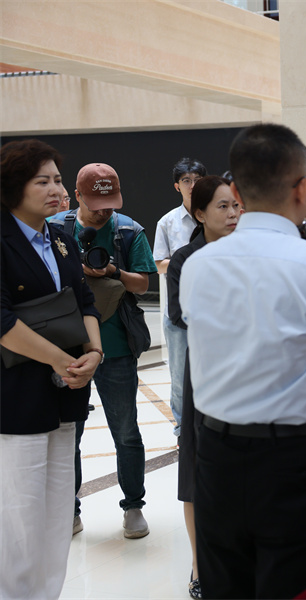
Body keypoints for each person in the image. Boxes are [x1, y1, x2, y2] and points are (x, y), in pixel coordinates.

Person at [180, 124, 306, 598]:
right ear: (303, 188)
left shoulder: (197, 265)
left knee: (225, 584)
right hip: (295, 457)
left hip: (216, 452)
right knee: (292, 584)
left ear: (236, 192)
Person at [1, 139, 103, 600]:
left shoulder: (61, 238)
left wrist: (94, 353)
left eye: (58, 180)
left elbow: (85, 302)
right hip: (17, 397)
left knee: (57, 512)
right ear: (13, 187)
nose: (56, 189)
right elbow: (2, 321)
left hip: (66, 392)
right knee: (20, 517)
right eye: (42, 181)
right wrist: (61, 359)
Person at [48, 162, 157, 540]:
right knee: (69, 433)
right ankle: (70, 509)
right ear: (77, 196)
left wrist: (113, 272)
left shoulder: (128, 230)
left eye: (110, 204)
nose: (104, 212)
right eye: (96, 204)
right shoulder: (55, 229)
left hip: (117, 346)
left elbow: (142, 284)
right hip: (68, 347)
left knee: (126, 432)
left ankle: (134, 506)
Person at [167, 175, 241, 600]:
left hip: (250, 374)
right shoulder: (186, 259)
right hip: (206, 374)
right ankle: (200, 564)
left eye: (236, 206)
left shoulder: (251, 253)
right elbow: (181, 314)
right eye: (222, 207)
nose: (232, 214)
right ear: (199, 214)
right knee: (196, 472)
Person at [154, 157, 207, 437]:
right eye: (186, 180)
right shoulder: (167, 222)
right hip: (177, 310)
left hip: (210, 308)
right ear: (177, 186)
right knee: (179, 375)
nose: (192, 185)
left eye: (197, 180)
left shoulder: (214, 214)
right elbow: (158, 263)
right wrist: (184, 260)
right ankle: (182, 430)